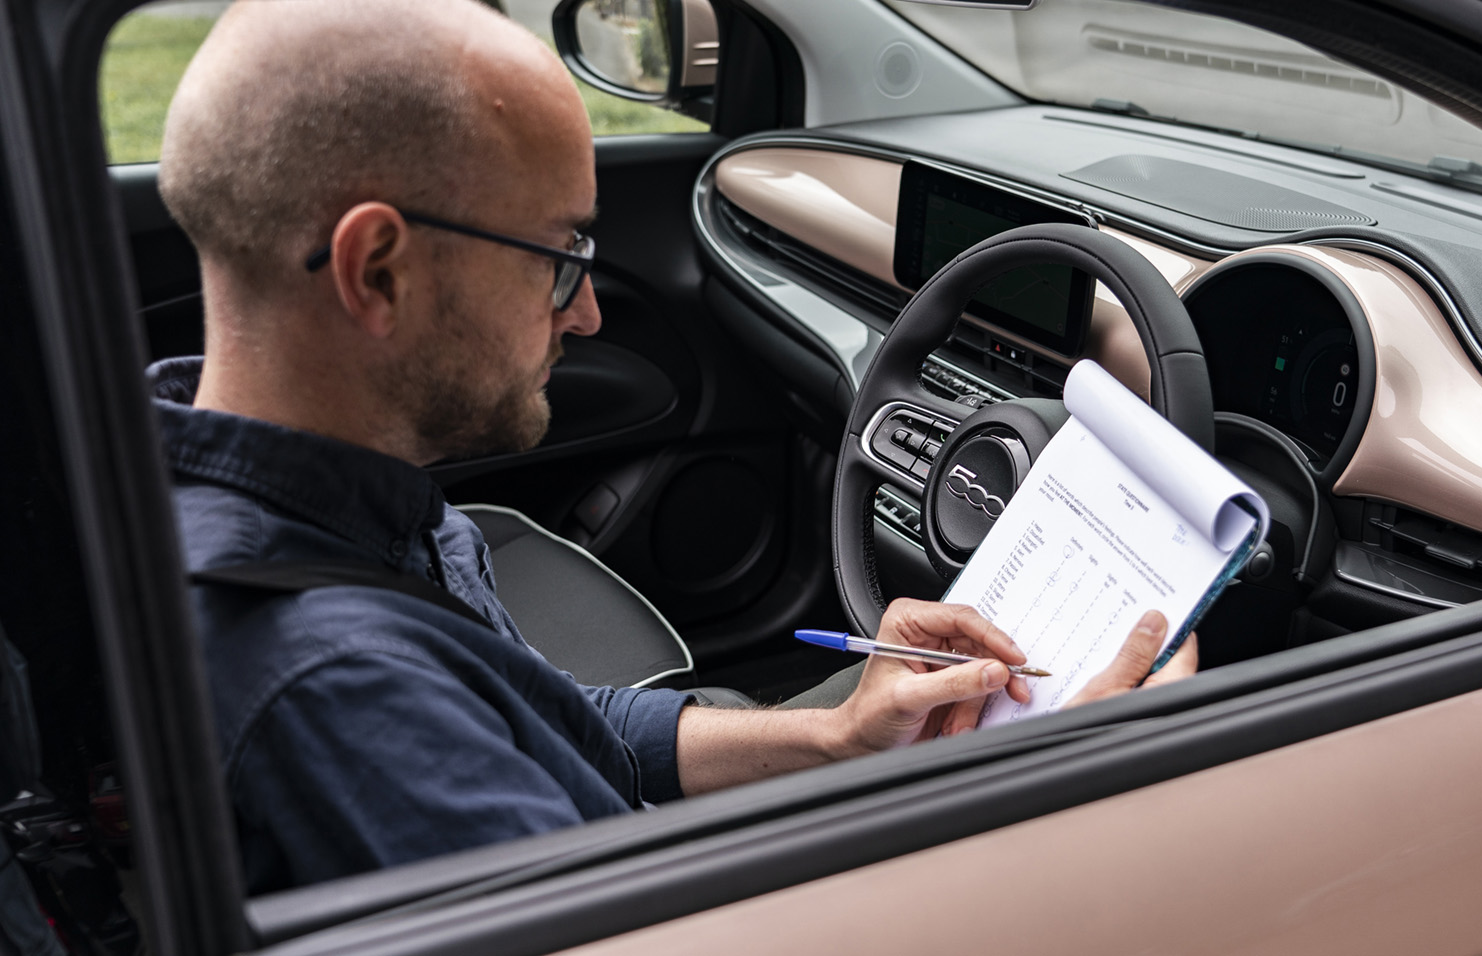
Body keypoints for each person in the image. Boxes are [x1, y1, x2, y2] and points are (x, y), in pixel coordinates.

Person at [148, 0, 1197, 894]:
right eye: (559, 257)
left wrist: (834, 737)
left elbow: (555, 724)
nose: (589, 314)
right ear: (377, 270)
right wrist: (1053, 786)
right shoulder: (342, 690)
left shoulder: (304, 500)